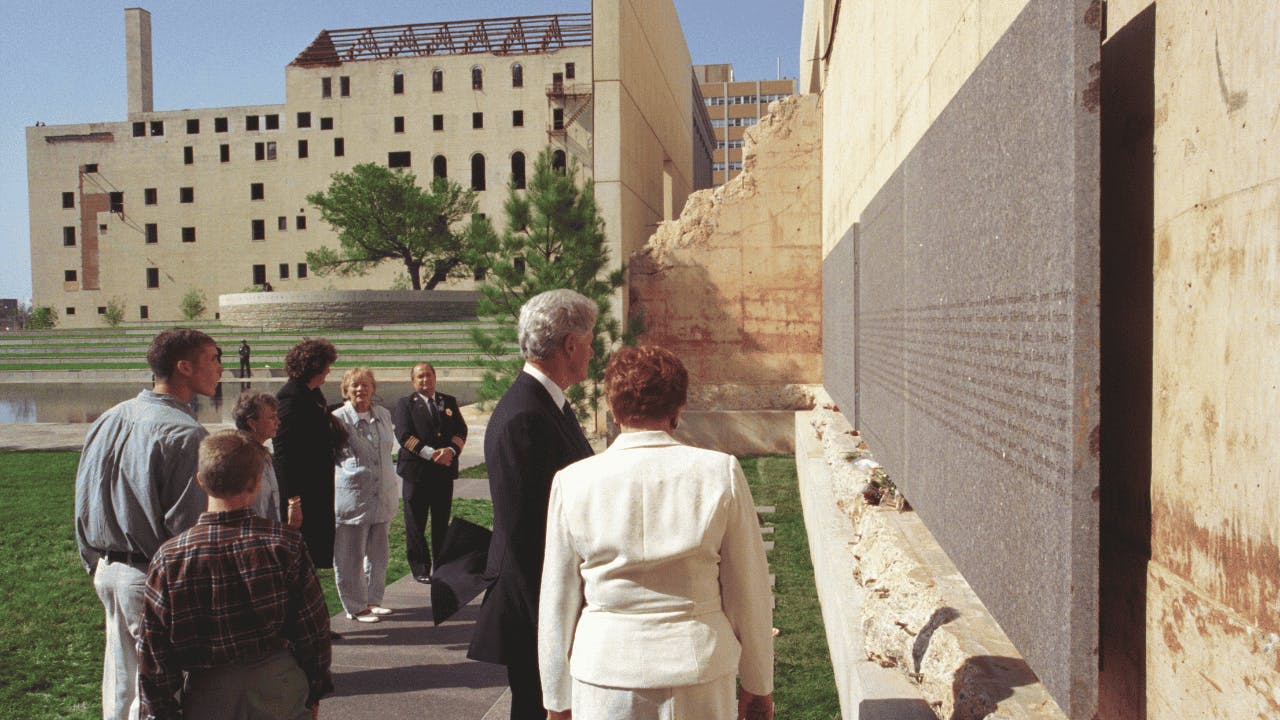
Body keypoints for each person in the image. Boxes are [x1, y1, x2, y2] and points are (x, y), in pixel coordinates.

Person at [538, 346, 775, 720]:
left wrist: (556, 699)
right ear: (678, 407)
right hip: (697, 668)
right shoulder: (719, 473)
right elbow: (748, 589)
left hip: (605, 671)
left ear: (613, 408)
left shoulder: (574, 482)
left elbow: (557, 599)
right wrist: (758, 684)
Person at [74, 328, 222, 720]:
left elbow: (82, 499)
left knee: (122, 687)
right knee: (157, 695)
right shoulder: (185, 433)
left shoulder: (110, 417)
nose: (220, 368)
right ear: (184, 367)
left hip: (110, 570)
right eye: (213, 358)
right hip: (150, 576)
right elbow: (188, 529)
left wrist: (95, 562)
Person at [138, 430, 333, 719]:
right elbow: (313, 628)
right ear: (257, 482)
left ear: (200, 481)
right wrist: (316, 687)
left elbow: (154, 652)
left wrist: (161, 710)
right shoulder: (284, 544)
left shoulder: (170, 557)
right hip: (277, 684)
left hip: (208, 692)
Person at [467, 289, 597, 720]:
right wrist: (555, 629)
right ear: (570, 345)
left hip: (550, 601)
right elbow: (527, 534)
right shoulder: (525, 415)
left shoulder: (547, 404)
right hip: (536, 610)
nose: (593, 351)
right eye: (590, 341)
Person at [331, 367, 399, 623]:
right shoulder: (337, 418)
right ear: (346, 390)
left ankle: (373, 601)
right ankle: (355, 606)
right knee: (350, 554)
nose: (361, 389)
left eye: (365, 385)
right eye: (355, 385)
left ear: (373, 388)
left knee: (378, 553)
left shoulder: (384, 414)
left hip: (383, 493)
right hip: (353, 498)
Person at [393, 362, 468, 583]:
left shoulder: (448, 401)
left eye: (428, 375)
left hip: (443, 473)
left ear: (435, 377)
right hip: (416, 473)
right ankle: (420, 568)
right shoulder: (405, 404)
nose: (425, 380)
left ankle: (441, 565)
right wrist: (432, 454)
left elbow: (461, 430)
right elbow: (404, 436)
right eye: (420, 377)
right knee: (415, 523)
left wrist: (451, 451)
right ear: (413, 382)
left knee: (441, 522)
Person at [274, 338, 339, 569]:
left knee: (315, 555)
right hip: (302, 492)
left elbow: (317, 420)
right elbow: (283, 454)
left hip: (318, 486)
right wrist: (293, 500)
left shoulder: (312, 393)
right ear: (315, 367)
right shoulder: (289, 398)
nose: (329, 370)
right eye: (326, 365)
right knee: (300, 556)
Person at [232, 390, 302, 527]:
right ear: (252, 423)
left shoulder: (264, 455)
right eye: (272, 418)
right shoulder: (241, 459)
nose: (278, 422)